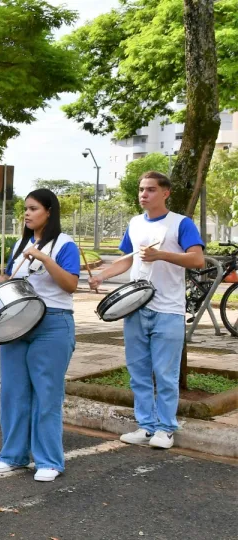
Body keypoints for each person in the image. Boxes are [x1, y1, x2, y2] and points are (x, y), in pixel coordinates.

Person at [0, 189, 80, 482]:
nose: (26, 213)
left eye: (33, 208)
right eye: (25, 208)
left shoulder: (65, 244)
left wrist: (45, 259)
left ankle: (49, 460)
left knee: (47, 394)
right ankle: (13, 455)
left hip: (53, 323)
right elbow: (8, 280)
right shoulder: (20, 244)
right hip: (16, 323)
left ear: (49, 211)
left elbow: (71, 284)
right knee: (13, 392)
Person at [89, 171, 204, 450]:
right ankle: (146, 426)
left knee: (165, 374)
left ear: (165, 193)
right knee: (138, 372)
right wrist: (102, 276)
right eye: (141, 189)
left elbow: (197, 260)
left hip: (168, 310)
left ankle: (166, 429)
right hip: (135, 309)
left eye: (150, 189)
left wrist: (161, 254)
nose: (143, 194)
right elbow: (126, 260)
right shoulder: (135, 223)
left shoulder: (181, 223)